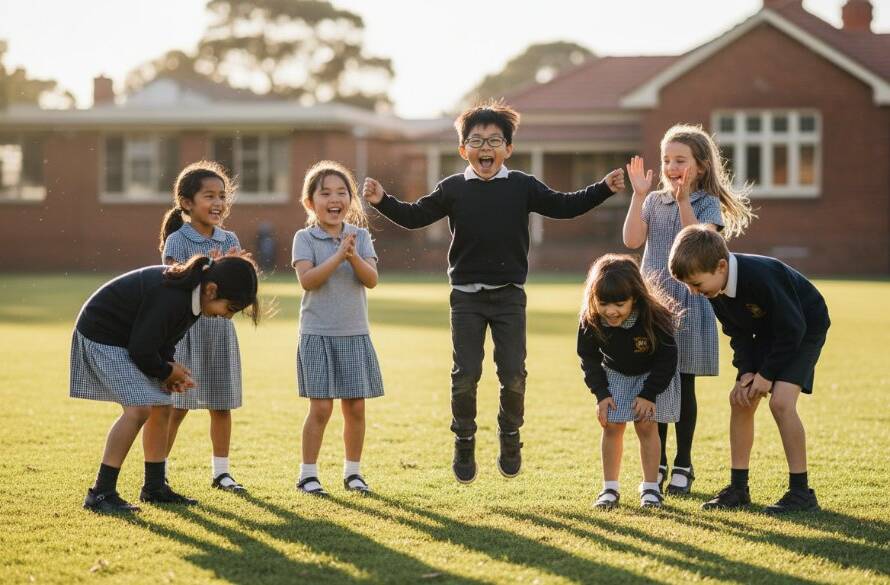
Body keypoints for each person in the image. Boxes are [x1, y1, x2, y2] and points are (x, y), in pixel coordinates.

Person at [363, 100, 624, 484]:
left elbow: (564, 206)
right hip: (466, 298)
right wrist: (382, 201)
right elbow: (415, 215)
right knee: (465, 374)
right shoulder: (452, 188)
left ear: (508, 149)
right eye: (477, 140)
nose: (485, 148)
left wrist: (603, 188)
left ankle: (510, 435)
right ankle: (464, 439)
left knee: (514, 374)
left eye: (494, 140)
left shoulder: (522, 186)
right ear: (463, 149)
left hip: (509, 297)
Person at [622, 124, 754, 494]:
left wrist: (682, 202)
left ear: (700, 166)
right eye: (666, 159)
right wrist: (638, 196)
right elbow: (632, 240)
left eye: (680, 159)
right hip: (655, 306)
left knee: (684, 383)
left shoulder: (706, 205)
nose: (671, 166)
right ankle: (658, 461)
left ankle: (684, 462)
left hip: (690, 303)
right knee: (656, 384)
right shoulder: (651, 201)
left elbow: (697, 245)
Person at [71, 254, 260, 512]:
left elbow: (165, 338)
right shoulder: (173, 296)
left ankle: (155, 488)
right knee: (139, 409)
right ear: (212, 290)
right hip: (101, 336)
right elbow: (141, 348)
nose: (227, 318)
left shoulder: (194, 300)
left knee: (163, 406)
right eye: (230, 309)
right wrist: (164, 371)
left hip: (129, 340)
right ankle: (100, 493)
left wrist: (168, 370)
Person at [669, 225, 829, 513]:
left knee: (781, 402)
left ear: (720, 266)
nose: (693, 293)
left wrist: (766, 375)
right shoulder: (714, 290)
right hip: (769, 330)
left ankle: (801, 492)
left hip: (804, 326)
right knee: (741, 399)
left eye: (696, 284)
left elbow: (793, 329)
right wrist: (746, 372)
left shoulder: (760, 276)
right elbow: (737, 333)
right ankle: (738, 488)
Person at [293, 161, 383, 497]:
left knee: (356, 407)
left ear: (351, 200)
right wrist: (337, 257)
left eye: (342, 192)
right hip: (317, 334)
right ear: (310, 202)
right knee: (320, 408)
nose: (335, 199)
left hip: (354, 333)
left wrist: (353, 255)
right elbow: (308, 280)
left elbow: (371, 280)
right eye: (325, 193)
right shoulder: (305, 238)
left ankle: (353, 473)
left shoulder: (360, 236)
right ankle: (308, 474)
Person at [160, 161, 248, 492]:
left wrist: (237, 271)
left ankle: (222, 473)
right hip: (186, 335)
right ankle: (159, 470)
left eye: (222, 196)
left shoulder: (230, 239)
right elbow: (173, 289)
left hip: (219, 333)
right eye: (208, 196)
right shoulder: (177, 242)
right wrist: (207, 270)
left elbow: (236, 290)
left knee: (221, 405)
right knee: (177, 407)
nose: (218, 203)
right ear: (186, 203)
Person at [578, 254, 680, 509]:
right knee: (612, 425)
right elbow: (588, 358)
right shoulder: (590, 319)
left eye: (620, 304)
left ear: (635, 297)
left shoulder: (655, 317)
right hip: (615, 373)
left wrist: (649, 394)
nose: (611, 311)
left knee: (646, 426)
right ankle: (609, 489)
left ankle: (651, 489)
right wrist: (601, 394)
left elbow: (668, 359)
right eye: (604, 303)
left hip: (651, 375)